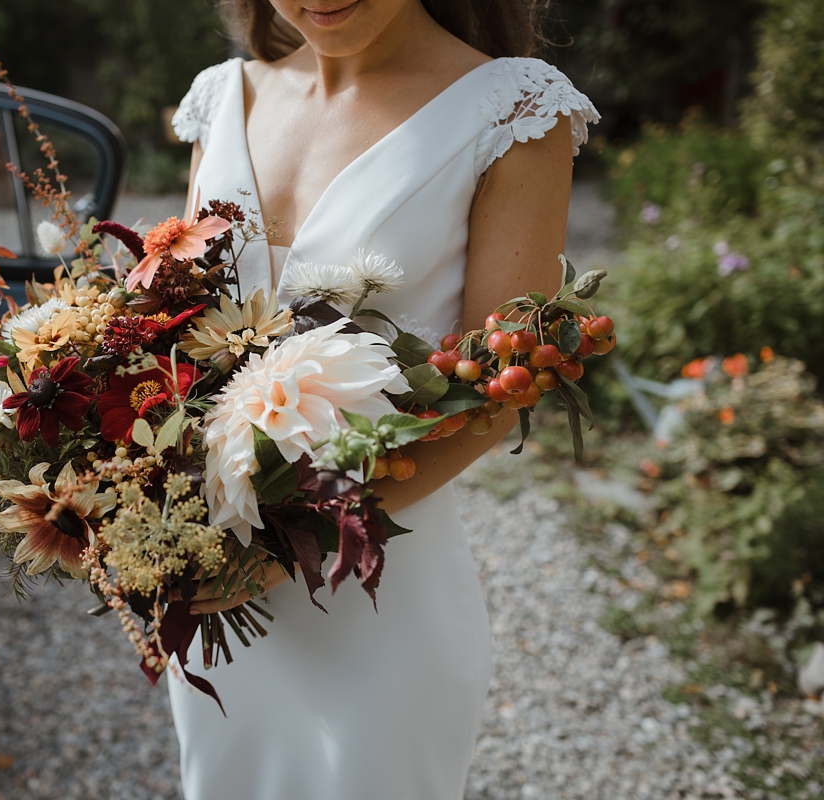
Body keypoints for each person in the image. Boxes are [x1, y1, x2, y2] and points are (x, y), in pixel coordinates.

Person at [165, 1, 599, 798]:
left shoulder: (516, 109)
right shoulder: (222, 97)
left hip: (377, 591)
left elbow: (499, 393)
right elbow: (173, 328)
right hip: (215, 603)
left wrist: (273, 554)